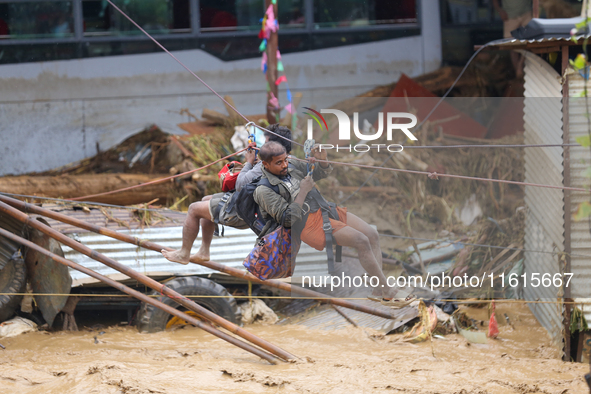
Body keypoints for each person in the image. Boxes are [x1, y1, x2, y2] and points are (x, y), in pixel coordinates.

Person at [254, 141, 414, 306]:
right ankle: (388, 291)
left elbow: (319, 174)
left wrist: (322, 160)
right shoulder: (264, 190)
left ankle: (378, 290)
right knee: (361, 240)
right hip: (307, 224)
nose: (285, 165)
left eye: (285, 160)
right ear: (265, 164)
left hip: (324, 208)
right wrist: (303, 191)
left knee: (372, 234)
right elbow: (287, 220)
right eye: (279, 163)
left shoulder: (291, 164)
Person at [161, 124, 293, 264]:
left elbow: (240, 185)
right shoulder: (288, 162)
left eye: (266, 143)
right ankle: (204, 251)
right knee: (206, 199)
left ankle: (183, 253)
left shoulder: (268, 164)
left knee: (194, 208)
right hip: (254, 208)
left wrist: (249, 162)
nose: (263, 146)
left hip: (245, 212)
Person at [492, 0, 532, 77]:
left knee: (530, 41)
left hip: (526, 13)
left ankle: (520, 66)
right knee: (511, 45)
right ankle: (518, 72)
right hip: (509, 15)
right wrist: (500, 11)